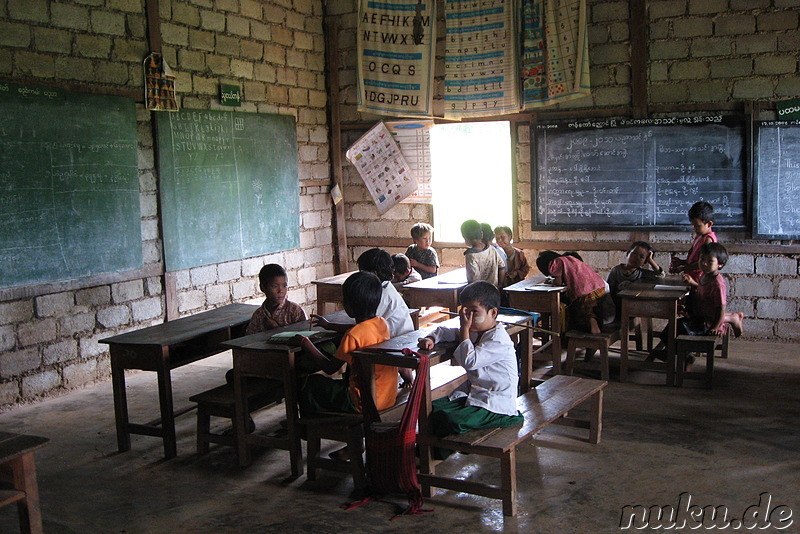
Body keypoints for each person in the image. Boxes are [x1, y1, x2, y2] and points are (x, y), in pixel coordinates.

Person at [417, 281, 523, 458]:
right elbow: (444, 331)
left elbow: (470, 361)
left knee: (453, 421)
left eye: (474, 311)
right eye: (464, 311)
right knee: (433, 408)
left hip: (497, 406)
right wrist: (430, 338)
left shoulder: (499, 340)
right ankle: (431, 454)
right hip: (477, 397)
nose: (467, 317)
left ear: (493, 313)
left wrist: (464, 329)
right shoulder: (476, 331)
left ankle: (440, 453)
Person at [296, 271, 396, 420]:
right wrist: (329, 325)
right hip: (387, 397)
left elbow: (330, 368)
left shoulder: (352, 336)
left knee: (311, 383)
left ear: (350, 306)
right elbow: (360, 329)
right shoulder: (382, 323)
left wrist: (305, 343)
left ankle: (308, 427)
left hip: (362, 402)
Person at [225, 264, 307, 431]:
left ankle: (298, 420)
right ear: (263, 288)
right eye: (274, 286)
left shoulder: (294, 311)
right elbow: (249, 342)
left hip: (289, 363)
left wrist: (276, 329)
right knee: (233, 375)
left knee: (301, 377)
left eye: (284, 285)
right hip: (264, 362)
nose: (281, 291)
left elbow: (304, 340)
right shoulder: (259, 315)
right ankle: (244, 419)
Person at [536, 251, 614, 334]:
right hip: (597, 287)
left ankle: (593, 325)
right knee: (589, 309)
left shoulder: (556, 263)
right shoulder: (570, 258)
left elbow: (558, 283)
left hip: (584, 290)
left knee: (585, 312)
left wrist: (551, 282)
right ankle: (594, 325)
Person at [681, 242, 744, 338]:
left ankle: (682, 352)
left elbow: (720, 308)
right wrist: (691, 282)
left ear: (720, 264)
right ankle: (672, 351)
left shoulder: (718, 283)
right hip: (701, 318)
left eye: (710, 261)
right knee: (675, 326)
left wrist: (715, 328)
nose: (704, 263)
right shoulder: (704, 276)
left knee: (680, 330)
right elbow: (703, 289)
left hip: (709, 324)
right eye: (702, 259)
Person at [607, 241, 665, 319]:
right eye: (634, 254)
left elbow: (660, 276)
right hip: (616, 306)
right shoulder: (616, 270)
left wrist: (651, 261)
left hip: (633, 308)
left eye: (641, 257)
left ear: (645, 262)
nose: (636, 258)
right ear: (628, 253)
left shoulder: (642, 273)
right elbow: (609, 289)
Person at [669, 201, 718, 284]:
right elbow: (696, 259)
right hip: (691, 278)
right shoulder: (700, 235)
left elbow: (702, 263)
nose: (694, 228)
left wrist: (683, 268)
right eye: (692, 225)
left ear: (709, 224)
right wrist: (681, 262)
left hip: (698, 281)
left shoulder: (708, 240)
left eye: (697, 226)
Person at [462, 219, 506, 287]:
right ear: (481, 234)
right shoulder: (492, 249)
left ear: (466, 239)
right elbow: (502, 267)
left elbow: (473, 279)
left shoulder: (471, 256)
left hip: (480, 293)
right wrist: (500, 284)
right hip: (494, 290)